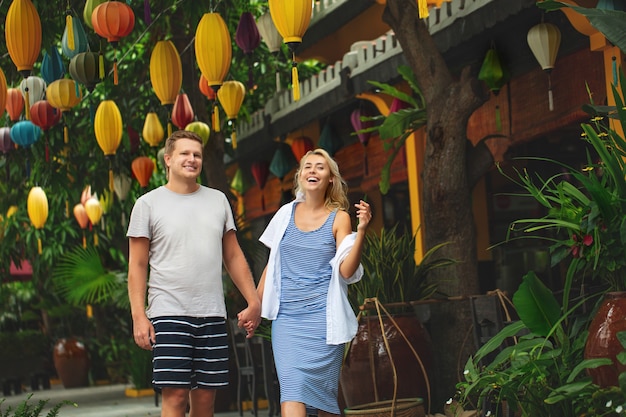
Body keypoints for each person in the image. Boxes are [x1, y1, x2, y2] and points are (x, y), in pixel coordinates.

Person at [127, 130, 261, 417]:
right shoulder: (147, 204)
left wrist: (253, 300)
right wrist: (139, 315)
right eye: (185, 153)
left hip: (211, 314)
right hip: (169, 312)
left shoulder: (218, 200)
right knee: (175, 398)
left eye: (197, 154)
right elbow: (137, 265)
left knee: (205, 402)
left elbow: (233, 254)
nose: (192, 159)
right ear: (168, 159)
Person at [257, 148, 372, 417]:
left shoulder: (340, 217)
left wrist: (362, 231)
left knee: (323, 403)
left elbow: (346, 271)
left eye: (320, 167)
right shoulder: (285, 214)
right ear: (299, 176)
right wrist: (255, 303)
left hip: (323, 322)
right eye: (307, 166)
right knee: (292, 391)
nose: (312, 171)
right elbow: (272, 265)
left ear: (330, 178)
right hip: (287, 321)